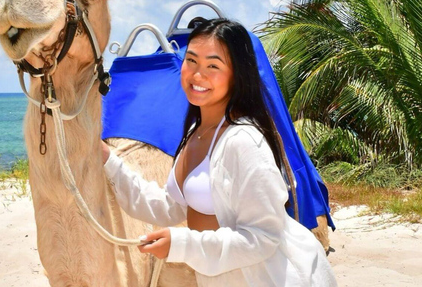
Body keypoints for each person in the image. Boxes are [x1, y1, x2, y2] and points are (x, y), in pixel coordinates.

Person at [101, 18, 337, 286]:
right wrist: (107, 160)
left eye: (213, 65)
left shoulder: (244, 140)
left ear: (237, 74)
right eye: (191, 61)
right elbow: (169, 206)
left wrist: (181, 244)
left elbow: (263, 237)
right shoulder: (196, 132)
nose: (197, 75)